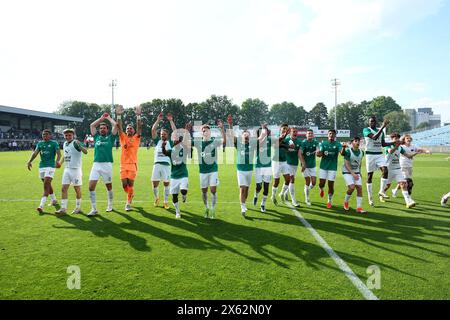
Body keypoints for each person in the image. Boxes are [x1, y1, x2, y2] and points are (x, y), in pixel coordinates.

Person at [192, 119, 226, 219]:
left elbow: (224, 141)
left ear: (210, 132)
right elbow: (186, 143)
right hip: (202, 171)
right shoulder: (198, 143)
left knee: (213, 190)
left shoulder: (214, 142)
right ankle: (206, 208)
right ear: (201, 133)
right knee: (204, 191)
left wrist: (222, 129)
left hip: (213, 170)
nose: (205, 131)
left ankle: (213, 209)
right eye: (203, 130)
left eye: (206, 130)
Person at [87, 113, 118, 216]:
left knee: (108, 186)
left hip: (107, 165)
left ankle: (110, 205)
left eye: (104, 128)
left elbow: (116, 125)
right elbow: (92, 125)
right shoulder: (96, 137)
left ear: (107, 130)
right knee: (91, 187)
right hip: (96, 165)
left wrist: (108, 118)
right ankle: (94, 209)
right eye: (101, 128)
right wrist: (101, 119)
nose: (102, 130)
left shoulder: (111, 138)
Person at [26, 129, 62, 213]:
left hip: (51, 166)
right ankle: (54, 200)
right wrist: (29, 161)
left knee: (46, 185)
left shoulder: (54, 143)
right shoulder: (40, 143)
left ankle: (41, 206)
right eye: (43, 134)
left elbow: (59, 154)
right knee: (48, 184)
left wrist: (57, 161)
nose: (44, 136)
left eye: (46, 134)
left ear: (50, 135)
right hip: (42, 166)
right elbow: (35, 153)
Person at [55, 129, 88, 214]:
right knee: (63, 189)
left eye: (69, 135)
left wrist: (80, 146)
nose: (68, 137)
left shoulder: (76, 142)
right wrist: (60, 163)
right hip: (67, 169)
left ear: (73, 135)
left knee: (77, 189)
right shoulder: (65, 144)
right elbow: (65, 155)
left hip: (75, 170)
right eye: (66, 135)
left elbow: (85, 152)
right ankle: (63, 209)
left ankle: (78, 208)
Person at [116, 105, 142, 211]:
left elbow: (139, 127)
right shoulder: (123, 137)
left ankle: (128, 203)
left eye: (131, 128)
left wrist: (138, 116)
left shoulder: (136, 138)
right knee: (124, 185)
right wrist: (118, 116)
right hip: (123, 165)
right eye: (127, 128)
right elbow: (119, 127)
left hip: (132, 164)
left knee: (130, 184)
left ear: (133, 130)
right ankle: (131, 194)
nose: (129, 130)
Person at [227, 120, 255, 216]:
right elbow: (231, 135)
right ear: (242, 136)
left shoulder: (253, 144)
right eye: (244, 135)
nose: (246, 136)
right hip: (241, 171)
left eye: (248, 135)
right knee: (242, 188)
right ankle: (242, 207)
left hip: (250, 170)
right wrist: (230, 124)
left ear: (250, 137)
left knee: (246, 189)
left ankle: (244, 202)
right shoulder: (238, 144)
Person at [161, 125, 191, 219]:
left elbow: (186, 142)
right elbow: (165, 153)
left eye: (176, 139)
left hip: (183, 174)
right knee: (174, 196)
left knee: (183, 190)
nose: (174, 140)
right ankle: (178, 212)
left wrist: (186, 131)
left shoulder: (184, 149)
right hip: (174, 176)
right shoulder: (171, 151)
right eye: (173, 140)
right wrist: (163, 147)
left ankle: (184, 195)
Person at [363, 116, 393, 206]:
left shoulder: (381, 131)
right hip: (369, 154)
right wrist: (383, 127)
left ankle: (381, 191)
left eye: (373, 121)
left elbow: (383, 144)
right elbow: (374, 137)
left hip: (379, 154)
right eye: (370, 121)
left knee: (385, 170)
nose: (371, 122)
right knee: (369, 176)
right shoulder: (366, 130)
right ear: (368, 122)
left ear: (375, 122)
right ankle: (370, 198)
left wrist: (393, 142)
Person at [382, 132, 416, 208]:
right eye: (395, 138)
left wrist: (416, 153)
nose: (396, 139)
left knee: (403, 183)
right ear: (392, 139)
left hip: (397, 169)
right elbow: (390, 151)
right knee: (387, 185)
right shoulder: (388, 146)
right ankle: (382, 193)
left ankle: (408, 202)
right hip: (389, 169)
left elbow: (408, 156)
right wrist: (397, 145)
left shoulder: (400, 148)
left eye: (397, 138)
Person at [151, 113, 174, 209]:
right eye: (161, 134)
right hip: (156, 164)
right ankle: (157, 198)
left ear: (167, 135)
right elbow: (153, 130)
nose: (162, 136)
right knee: (155, 183)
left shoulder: (171, 142)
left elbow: (175, 131)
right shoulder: (158, 141)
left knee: (166, 184)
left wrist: (171, 120)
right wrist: (158, 120)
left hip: (166, 165)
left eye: (164, 134)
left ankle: (165, 201)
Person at [317, 129, 342, 209]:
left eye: (333, 134)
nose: (331, 135)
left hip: (332, 167)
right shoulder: (323, 143)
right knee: (322, 183)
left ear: (335, 135)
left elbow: (342, 152)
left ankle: (329, 200)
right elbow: (320, 153)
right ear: (328, 135)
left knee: (330, 185)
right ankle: (321, 189)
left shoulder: (338, 144)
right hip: (323, 167)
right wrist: (318, 153)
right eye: (330, 133)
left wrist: (343, 148)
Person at [341, 137, 366, 213]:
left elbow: (359, 163)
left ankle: (359, 208)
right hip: (347, 172)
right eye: (356, 141)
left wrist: (359, 172)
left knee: (359, 188)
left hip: (356, 172)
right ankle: (346, 202)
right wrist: (353, 173)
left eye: (359, 141)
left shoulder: (362, 152)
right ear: (352, 143)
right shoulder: (348, 151)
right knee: (352, 187)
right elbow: (346, 164)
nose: (358, 142)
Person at [253, 124, 272, 213]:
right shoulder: (256, 141)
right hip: (258, 166)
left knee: (266, 187)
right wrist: (264, 129)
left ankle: (262, 204)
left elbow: (279, 142)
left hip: (268, 166)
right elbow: (259, 144)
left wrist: (284, 136)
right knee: (259, 186)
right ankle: (256, 194)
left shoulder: (270, 140)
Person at [271, 124, 290, 205]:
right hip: (276, 161)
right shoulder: (275, 136)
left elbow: (290, 147)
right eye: (283, 128)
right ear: (280, 129)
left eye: (286, 129)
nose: (285, 130)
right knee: (276, 181)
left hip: (284, 161)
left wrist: (283, 145)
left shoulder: (288, 139)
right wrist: (283, 144)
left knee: (288, 179)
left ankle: (281, 193)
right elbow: (276, 145)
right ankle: (273, 195)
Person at [300, 129, 319, 206]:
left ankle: (306, 189)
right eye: (308, 133)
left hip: (312, 165)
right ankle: (307, 198)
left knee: (314, 182)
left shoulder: (315, 142)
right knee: (307, 181)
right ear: (306, 135)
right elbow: (300, 153)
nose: (310, 134)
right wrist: (303, 163)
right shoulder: (304, 143)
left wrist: (318, 151)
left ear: (313, 135)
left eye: (311, 133)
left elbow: (318, 148)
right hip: (305, 166)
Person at [284, 127, 302, 207]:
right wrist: (288, 148)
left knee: (289, 180)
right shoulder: (286, 140)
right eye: (293, 131)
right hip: (286, 163)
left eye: (296, 132)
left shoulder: (299, 142)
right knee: (292, 179)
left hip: (295, 163)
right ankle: (293, 200)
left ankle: (283, 193)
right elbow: (281, 149)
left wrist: (302, 162)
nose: (295, 133)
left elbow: (299, 153)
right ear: (290, 133)